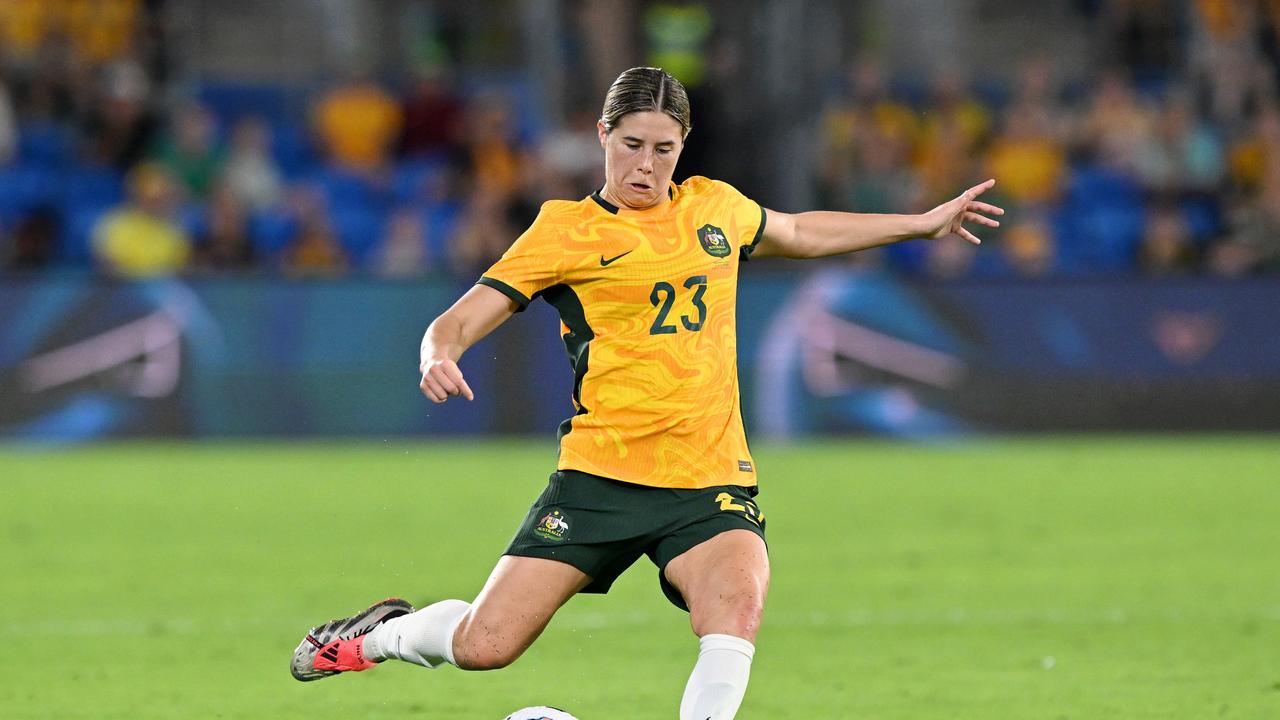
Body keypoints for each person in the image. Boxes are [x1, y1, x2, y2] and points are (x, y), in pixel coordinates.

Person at [289, 67, 1003, 720]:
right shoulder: (564, 231)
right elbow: (459, 318)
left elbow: (798, 231)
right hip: (602, 475)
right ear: (602, 135)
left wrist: (919, 222)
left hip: (707, 475)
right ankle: (381, 637)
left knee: (737, 602)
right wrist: (436, 354)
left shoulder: (714, 209)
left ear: (684, 145)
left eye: (664, 148)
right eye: (631, 144)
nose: (646, 164)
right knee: (486, 645)